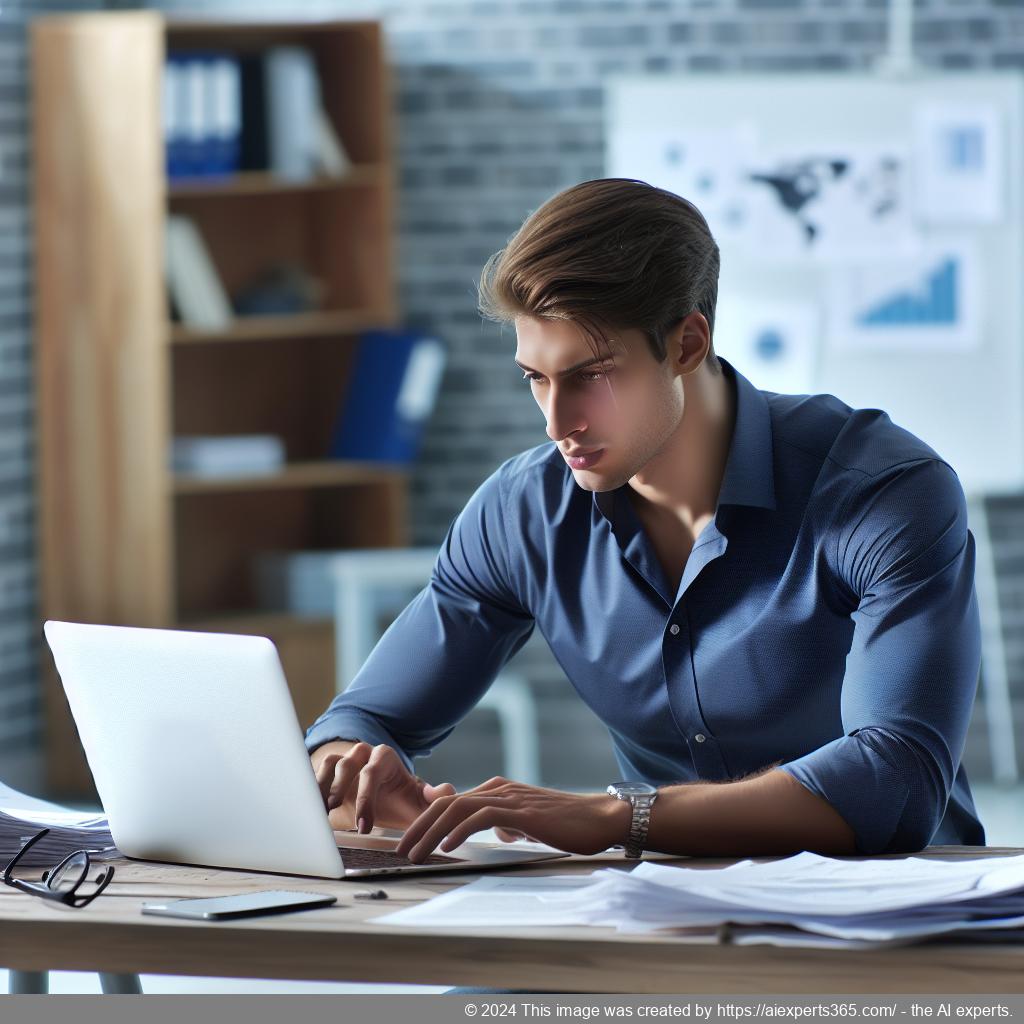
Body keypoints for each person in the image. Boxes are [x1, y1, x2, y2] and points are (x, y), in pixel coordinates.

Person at [306, 177, 985, 866]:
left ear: (687, 344)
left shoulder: (882, 493)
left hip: (891, 919)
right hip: (660, 918)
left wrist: (618, 816)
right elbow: (364, 719)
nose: (557, 422)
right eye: (535, 377)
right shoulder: (523, 512)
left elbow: (894, 780)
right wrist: (351, 768)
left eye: (591, 374)